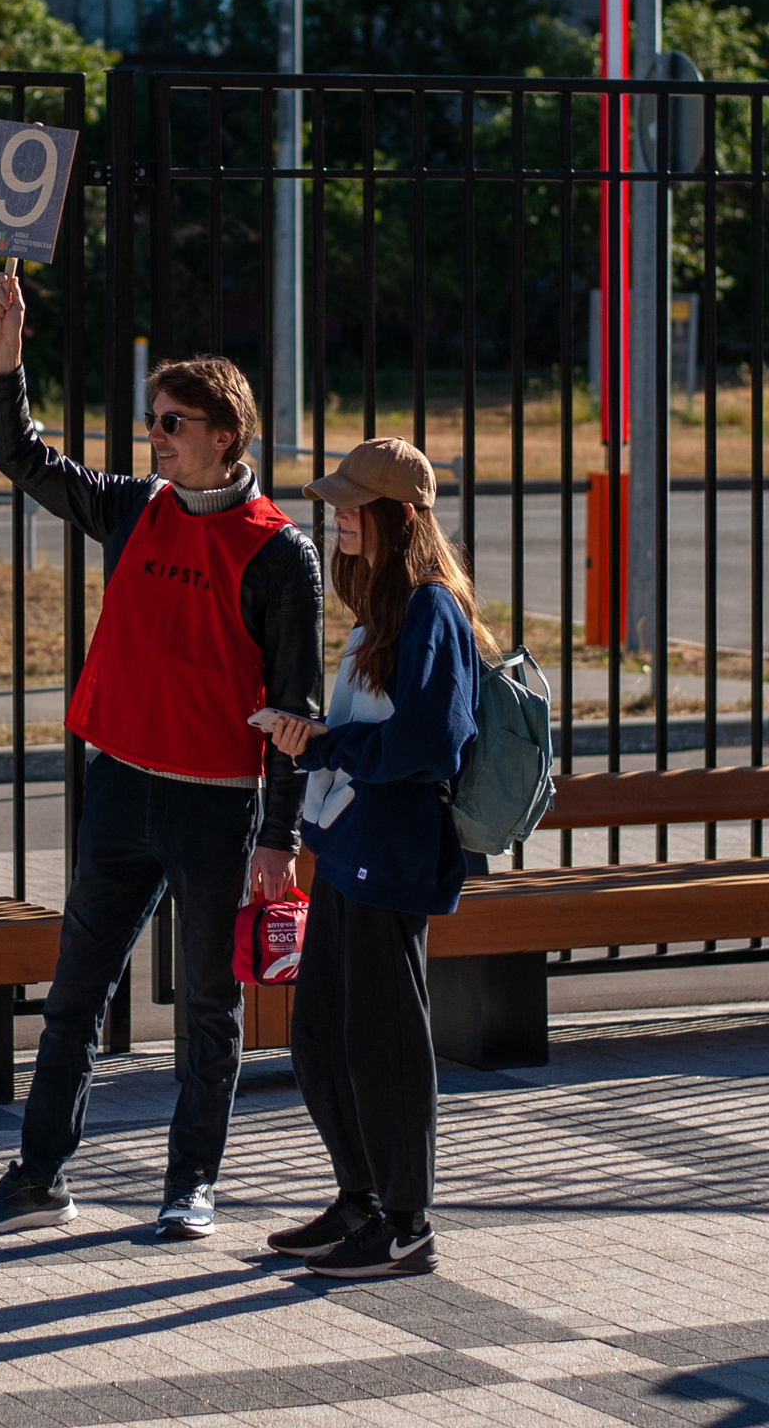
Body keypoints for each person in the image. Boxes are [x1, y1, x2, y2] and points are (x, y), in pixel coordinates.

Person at [0, 269, 324, 1240]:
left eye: (171, 423)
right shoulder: (136, 509)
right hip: (118, 789)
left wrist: (278, 837)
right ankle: (38, 1178)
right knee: (75, 993)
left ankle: (191, 1183)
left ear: (223, 436)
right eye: (154, 419)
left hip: (215, 806)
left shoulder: (280, 554)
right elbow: (24, 459)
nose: (154, 435)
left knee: (207, 1006)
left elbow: (295, 708)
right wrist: (7, 355)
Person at [259, 437, 493, 1279]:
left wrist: (329, 744)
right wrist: (318, 744)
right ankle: (359, 1199)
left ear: (399, 516)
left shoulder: (431, 608)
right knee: (324, 1036)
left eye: (355, 505)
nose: (339, 517)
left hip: (391, 851)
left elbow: (432, 743)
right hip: (353, 845)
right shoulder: (384, 606)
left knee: (385, 1040)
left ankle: (406, 1222)